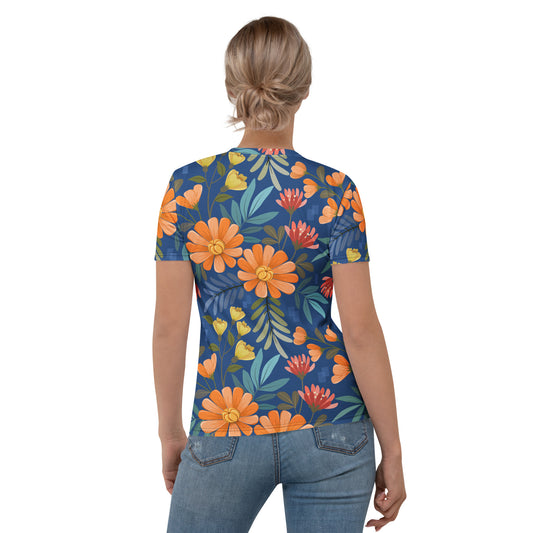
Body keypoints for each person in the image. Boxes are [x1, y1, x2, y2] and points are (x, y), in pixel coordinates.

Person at [152, 15, 406, 533]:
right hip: (333, 423)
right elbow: (360, 330)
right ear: (304, 89)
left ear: (232, 88)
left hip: (226, 419)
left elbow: (169, 328)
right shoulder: (336, 191)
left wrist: (170, 433)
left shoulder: (188, 188)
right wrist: (394, 448)